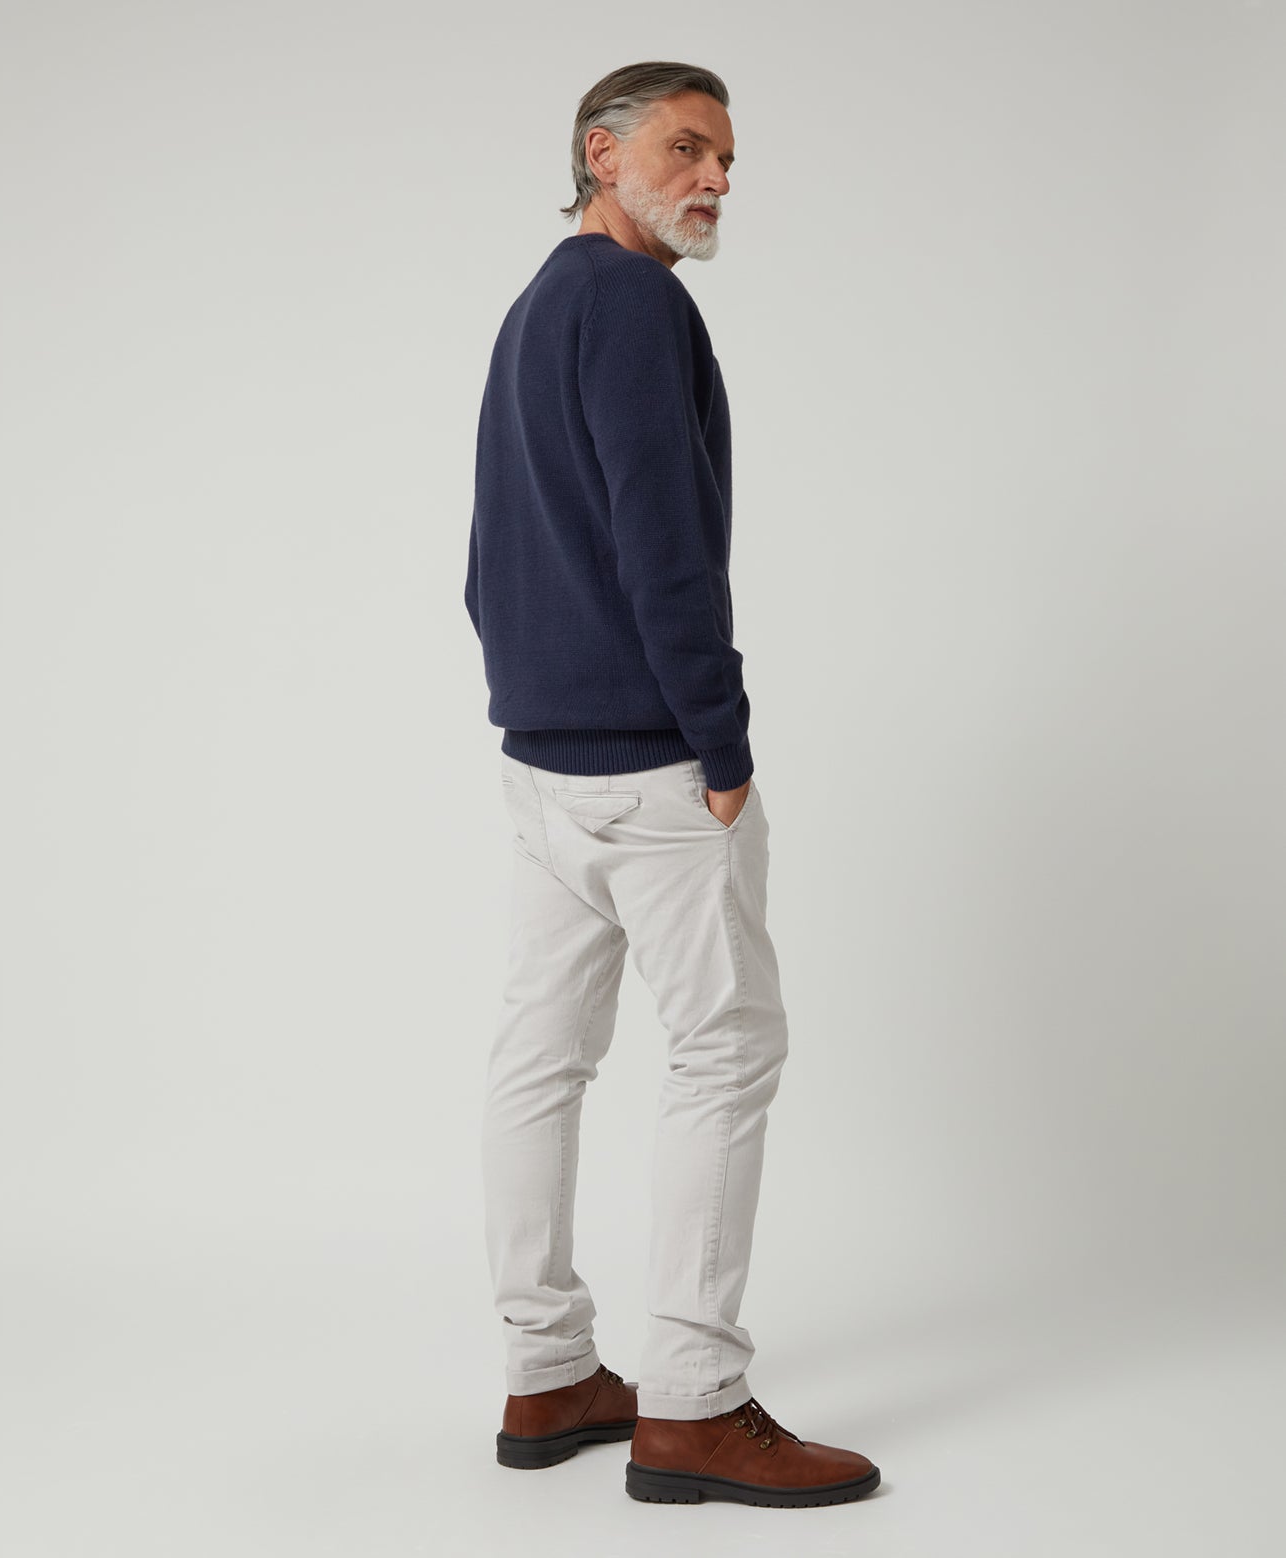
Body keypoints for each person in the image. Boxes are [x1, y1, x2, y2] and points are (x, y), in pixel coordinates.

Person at [463, 60, 881, 1509]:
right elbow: (664, 543)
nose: (716, 179)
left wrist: (531, 698)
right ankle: (692, 1405)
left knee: (541, 1060)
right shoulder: (637, 304)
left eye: (727, 159)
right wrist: (724, 741)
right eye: (689, 148)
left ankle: (547, 1370)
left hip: (542, 767)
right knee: (724, 1053)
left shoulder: (538, 304)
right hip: (653, 767)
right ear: (603, 151)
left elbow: (486, 558)